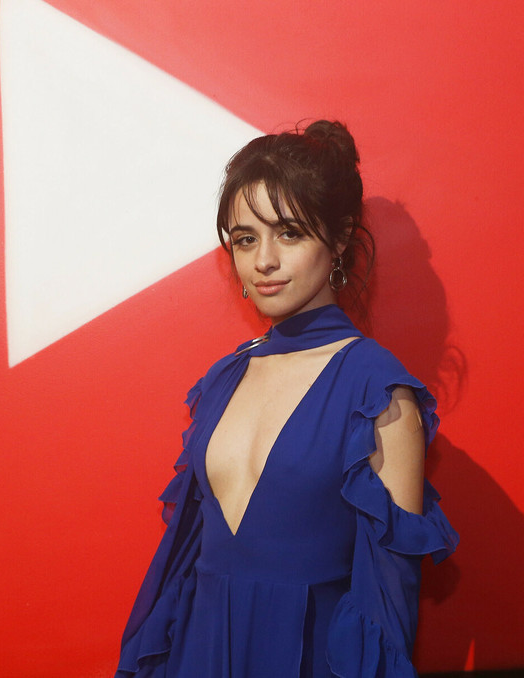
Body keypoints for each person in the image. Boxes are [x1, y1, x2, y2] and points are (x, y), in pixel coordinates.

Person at [116, 120, 458, 677]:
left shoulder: (377, 391)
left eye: (290, 233)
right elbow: (181, 569)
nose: (264, 261)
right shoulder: (223, 378)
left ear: (340, 239)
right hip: (199, 656)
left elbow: (389, 604)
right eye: (246, 239)